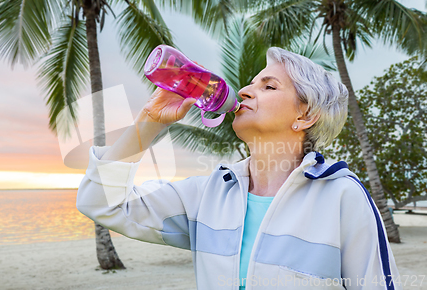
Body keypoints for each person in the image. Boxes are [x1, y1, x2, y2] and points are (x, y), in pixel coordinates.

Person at [76, 47, 402, 289]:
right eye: (250, 84)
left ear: (305, 116)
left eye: (269, 86)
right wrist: (148, 122)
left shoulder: (342, 196)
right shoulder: (208, 195)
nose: (245, 91)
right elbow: (103, 203)